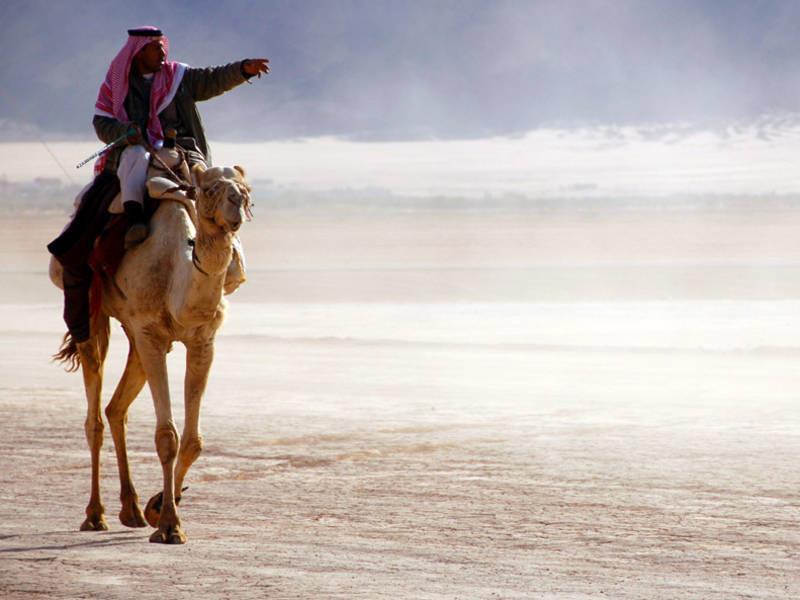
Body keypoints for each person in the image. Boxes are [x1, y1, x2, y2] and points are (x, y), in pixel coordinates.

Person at [48, 26, 268, 345]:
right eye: (154, 49)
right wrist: (125, 131)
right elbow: (102, 122)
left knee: (218, 193)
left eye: (163, 47)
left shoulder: (178, 77)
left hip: (185, 154)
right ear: (138, 53)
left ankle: (231, 261)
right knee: (128, 166)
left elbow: (211, 79)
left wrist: (242, 70)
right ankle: (132, 220)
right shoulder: (116, 84)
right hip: (135, 151)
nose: (162, 53)